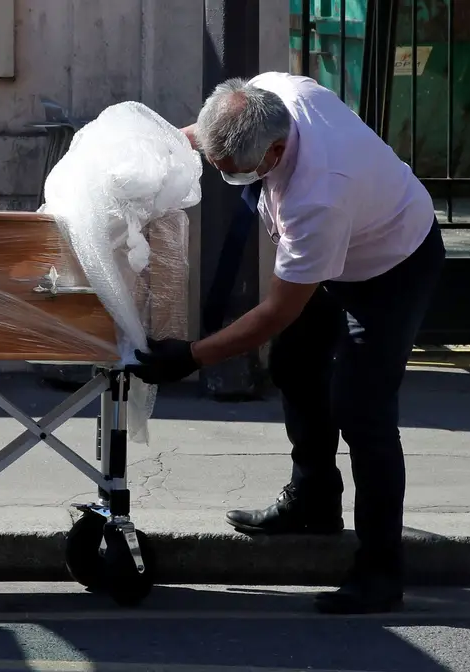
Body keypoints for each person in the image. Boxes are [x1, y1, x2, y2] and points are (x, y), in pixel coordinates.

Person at [128, 72, 446, 615]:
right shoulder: (270, 93)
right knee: (295, 366)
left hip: (391, 265)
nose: (225, 176)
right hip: (341, 247)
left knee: (361, 408)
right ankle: (314, 502)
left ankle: (380, 571)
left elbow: (276, 311)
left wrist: (189, 356)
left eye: (235, 171)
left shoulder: (317, 197)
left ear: (275, 152)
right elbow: (205, 134)